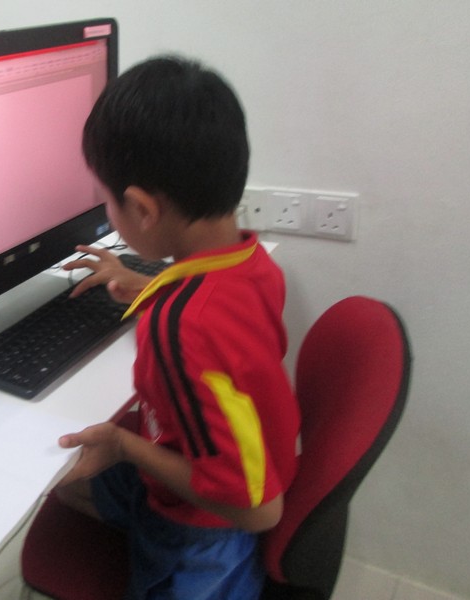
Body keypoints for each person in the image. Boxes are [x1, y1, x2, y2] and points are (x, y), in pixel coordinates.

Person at [55, 56, 301, 600]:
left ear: (142, 209)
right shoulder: (252, 260)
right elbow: (218, 322)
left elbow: (260, 511)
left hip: (205, 532)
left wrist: (123, 445)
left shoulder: (180, 329)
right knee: (61, 484)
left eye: (107, 198)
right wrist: (151, 286)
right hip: (231, 462)